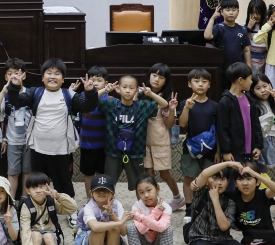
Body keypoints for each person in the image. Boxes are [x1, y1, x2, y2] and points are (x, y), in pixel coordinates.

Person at [6, 58, 96, 197]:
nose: (53, 76)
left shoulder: (69, 95)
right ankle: (39, 209)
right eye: (49, 73)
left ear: (63, 78)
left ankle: (69, 212)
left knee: (64, 183)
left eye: (57, 73)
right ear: (42, 78)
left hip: (61, 150)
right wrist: (15, 86)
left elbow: (88, 106)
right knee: (38, 184)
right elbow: (16, 102)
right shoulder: (35, 93)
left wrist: (90, 92)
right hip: (38, 149)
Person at [81, 74, 168, 190]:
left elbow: (164, 104)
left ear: (137, 90)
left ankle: (142, 207)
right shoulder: (110, 104)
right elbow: (91, 99)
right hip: (113, 152)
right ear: (118, 89)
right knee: (107, 185)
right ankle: (107, 206)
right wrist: (105, 90)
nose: (128, 91)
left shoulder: (143, 106)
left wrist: (150, 93)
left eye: (132, 88)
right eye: (125, 87)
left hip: (135, 153)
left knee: (140, 185)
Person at [143, 63, 184, 210]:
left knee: (165, 174)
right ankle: (151, 201)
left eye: (161, 77)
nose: (156, 79)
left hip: (160, 141)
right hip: (144, 140)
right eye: (154, 75)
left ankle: (178, 197)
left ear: (166, 81)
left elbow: (169, 124)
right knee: (148, 172)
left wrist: (172, 111)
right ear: (149, 76)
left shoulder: (166, 98)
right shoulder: (141, 94)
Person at [179, 68, 219, 219]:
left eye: (204, 81)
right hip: (190, 148)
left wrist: (218, 152)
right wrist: (187, 108)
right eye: (196, 81)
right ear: (190, 84)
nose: (200, 84)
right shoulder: (186, 103)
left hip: (211, 148)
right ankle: (189, 208)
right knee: (189, 177)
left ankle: (210, 205)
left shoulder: (215, 106)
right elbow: (182, 124)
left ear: (209, 84)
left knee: (211, 178)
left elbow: (218, 130)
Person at [75, 174, 128, 245]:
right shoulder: (88, 207)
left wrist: (112, 214)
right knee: (99, 228)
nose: (101, 193)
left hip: (112, 243)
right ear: (91, 193)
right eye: (98, 190)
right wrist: (120, 222)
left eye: (105, 190)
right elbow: (94, 226)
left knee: (114, 228)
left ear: (112, 193)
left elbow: (123, 232)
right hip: (90, 243)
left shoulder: (117, 205)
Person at [127, 174, 175, 245]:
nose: (146, 195)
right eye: (141, 192)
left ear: (157, 189)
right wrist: (155, 213)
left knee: (168, 229)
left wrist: (143, 217)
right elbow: (142, 230)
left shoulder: (165, 207)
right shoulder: (137, 207)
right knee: (131, 227)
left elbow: (162, 227)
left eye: (149, 190)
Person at [0, 58, 31, 198]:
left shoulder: (30, 93)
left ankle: (26, 202)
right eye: (10, 74)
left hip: (30, 141)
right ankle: (11, 202)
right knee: (12, 173)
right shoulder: (6, 95)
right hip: (12, 140)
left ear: (24, 75)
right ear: (5, 76)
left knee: (27, 172)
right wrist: (3, 92)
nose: (14, 76)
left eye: (17, 73)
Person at [217, 63, 262, 163]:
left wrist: (258, 146)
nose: (251, 82)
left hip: (250, 151)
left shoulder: (250, 99)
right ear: (241, 80)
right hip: (234, 153)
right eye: (250, 78)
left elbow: (256, 124)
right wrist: (226, 151)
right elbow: (222, 129)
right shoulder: (225, 102)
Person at [78, 66, 110, 199]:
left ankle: (103, 197)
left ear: (106, 83)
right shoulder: (82, 96)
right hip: (87, 144)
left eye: (99, 80)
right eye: (92, 80)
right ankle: (90, 197)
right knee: (88, 173)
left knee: (102, 173)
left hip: (104, 144)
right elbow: (89, 101)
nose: (95, 83)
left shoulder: (109, 99)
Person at [203, 0, 251, 85]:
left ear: (238, 12)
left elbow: (246, 50)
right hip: (221, 69)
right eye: (227, 10)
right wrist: (213, 18)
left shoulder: (242, 29)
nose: (231, 12)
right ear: (221, 12)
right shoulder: (218, 27)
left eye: (234, 10)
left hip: (238, 70)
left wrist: (249, 67)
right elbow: (207, 36)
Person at [244, 0, 268, 73]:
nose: (255, 15)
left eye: (258, 13)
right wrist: (248, 28)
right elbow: (244, 43)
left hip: (264, 58)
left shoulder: (267, 27)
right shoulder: (244, 27)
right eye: (253, 13)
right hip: (250, 58)